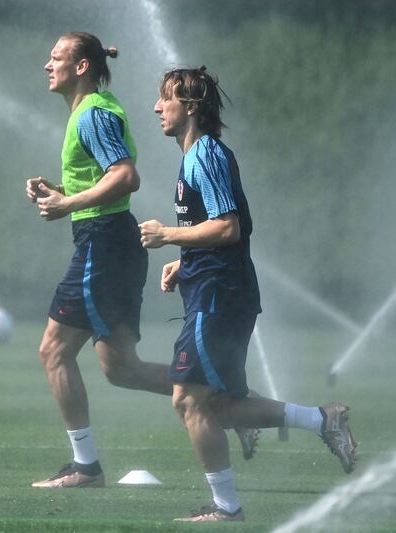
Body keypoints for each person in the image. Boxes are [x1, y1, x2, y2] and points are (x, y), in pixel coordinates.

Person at [25, 33, 259, 490]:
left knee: (53, 350)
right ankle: (225, 406)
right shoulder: (91, 110)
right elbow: (107, 180)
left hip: (103, 244)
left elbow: (125, 177)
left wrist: (68, 206)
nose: (46, 65)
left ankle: (86, 467)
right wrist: (62, 194)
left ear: (82, 67)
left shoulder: (92, 112)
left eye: (56, 58)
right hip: (107, 242)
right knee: (121, 369)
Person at [140, 66, 357, 522]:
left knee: (188, 399)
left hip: (221, 294)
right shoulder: (197, 155)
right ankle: (323, 420)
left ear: (192, 107)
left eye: (166, 99)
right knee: (219, 404)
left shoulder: (205, 154)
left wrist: (168, 234)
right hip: (215, 285)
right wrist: (185, 261)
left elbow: (228, 226)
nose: (158, 107)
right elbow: (226, 230)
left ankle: (226, 507)